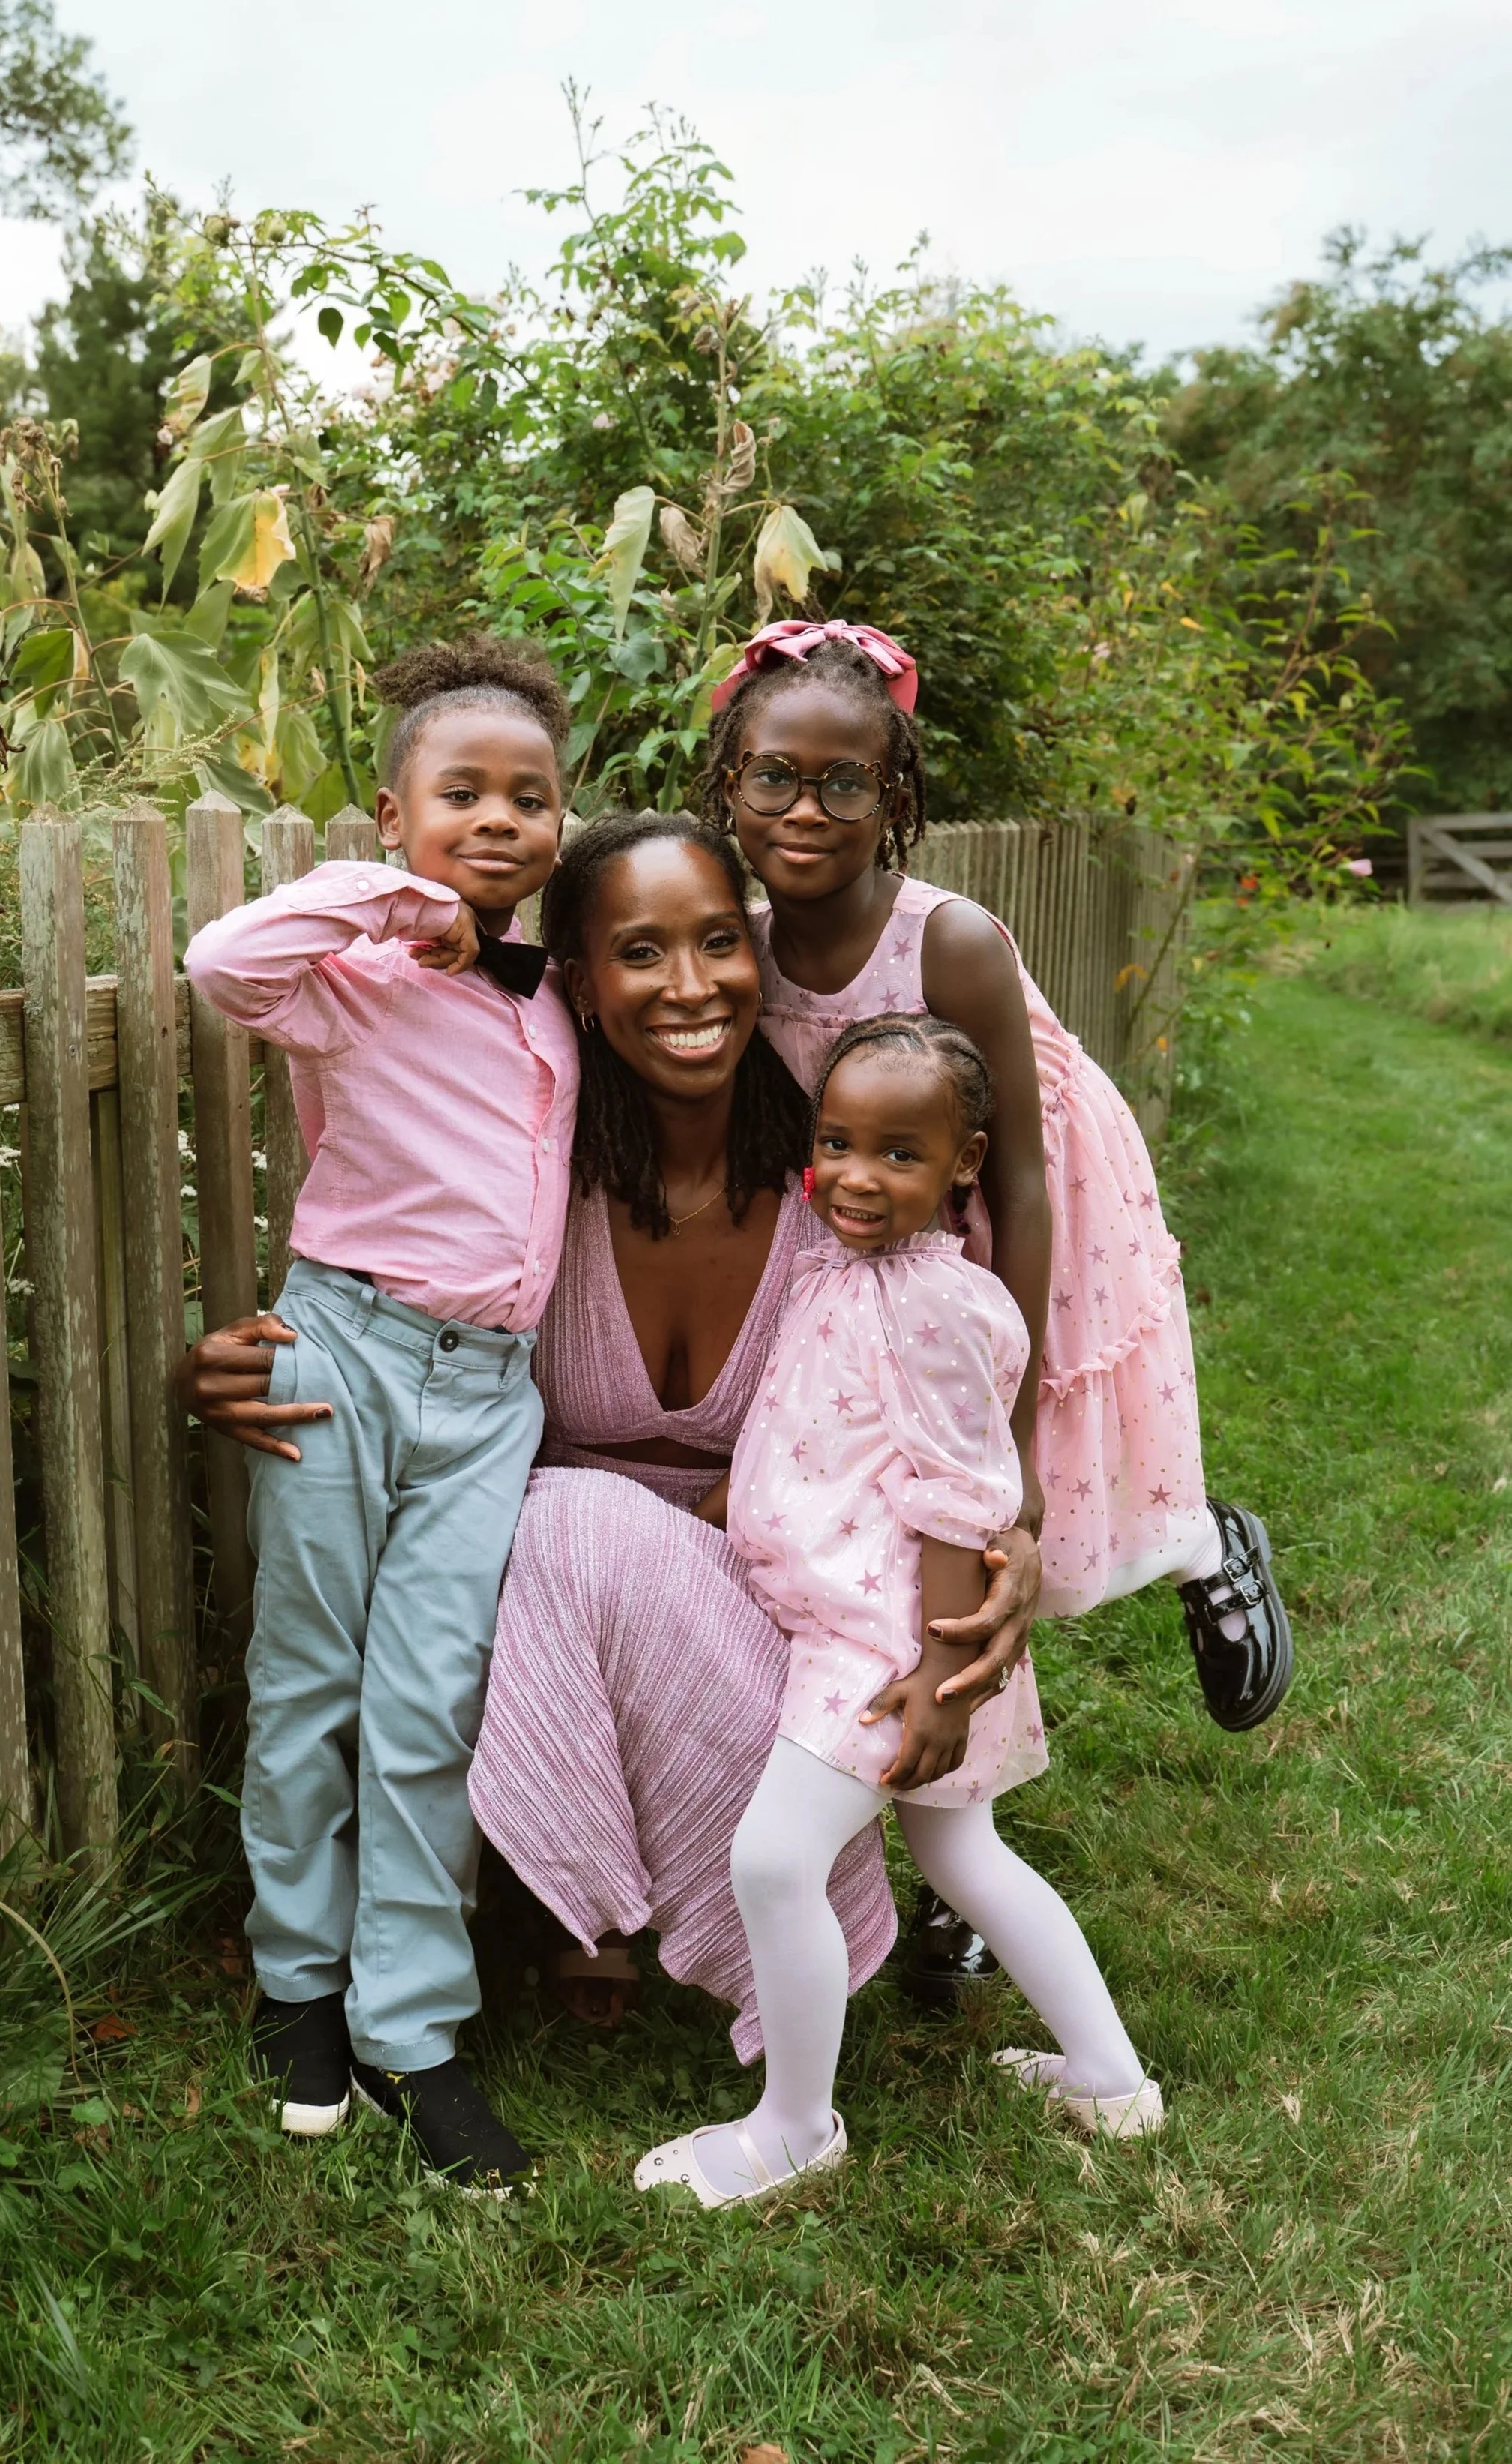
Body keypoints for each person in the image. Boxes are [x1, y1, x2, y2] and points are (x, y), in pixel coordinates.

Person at [179, 817, 1014, 2063]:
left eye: (721, 942)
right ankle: (554, 1895)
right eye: (640, 952)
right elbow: (385, 1291)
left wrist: (1022, 1532)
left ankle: (641, 1902)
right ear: (576, 976)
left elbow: (958, 1407)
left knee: (571, 1518)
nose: (691, 986)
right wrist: (253, 1357)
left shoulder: (845, 1196)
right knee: (553, 1521)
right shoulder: (531, 1182)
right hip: (532, 1624)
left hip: (767, 1634)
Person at [704, 616, 1294, 2000]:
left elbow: (1021, 1182)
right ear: (726, 779)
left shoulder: (949, 941)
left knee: (1005, 1526)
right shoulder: (742, 936)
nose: (807, 809)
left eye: (846, 783)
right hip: (884, 1214)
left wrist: (1010, 1425)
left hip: (1012, 1204)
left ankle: (1206, 1546)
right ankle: (933, 1856)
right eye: (775, 777)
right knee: (898, 1554)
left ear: (894, 798)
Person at [635, 1016, 1161, 2208]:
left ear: (964, 1163)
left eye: (899, 1154)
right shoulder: (847, 1268)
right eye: (837, 1143)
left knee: (773, 1864)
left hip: (886, 1642)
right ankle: (1109, 2076)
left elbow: (952, 1500)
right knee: (961, 1850)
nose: (858, 1177)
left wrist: (937, 1679)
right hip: (862, 1618)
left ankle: (792, 2126)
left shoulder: (938, 1305)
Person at [181, 635, 578, 2192]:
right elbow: (218, 966)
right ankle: (298, 1985)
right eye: (461, 793)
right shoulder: (349, 982)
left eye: (531, 798)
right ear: (395, 809)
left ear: (562, 823)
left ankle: (414, 2025)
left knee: (432, 1705)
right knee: (309, 1682)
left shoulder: (557, 1011)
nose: (499, 819)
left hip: (488, 1394)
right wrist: (389, 900)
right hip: (342, 1350)